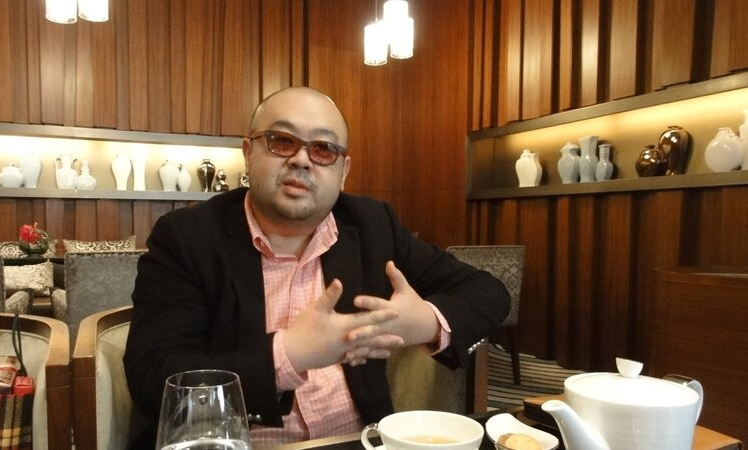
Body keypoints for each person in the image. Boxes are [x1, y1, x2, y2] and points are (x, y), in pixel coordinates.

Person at [123, 86, 511, 447]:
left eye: (324, 148)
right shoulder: (187, 237)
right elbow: (153, 376)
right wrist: (289, 354)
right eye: (282, 140)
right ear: (248, 152)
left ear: (343, 171)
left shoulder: (372, 225)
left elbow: (489, 291)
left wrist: (426, 323)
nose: (301, 159)